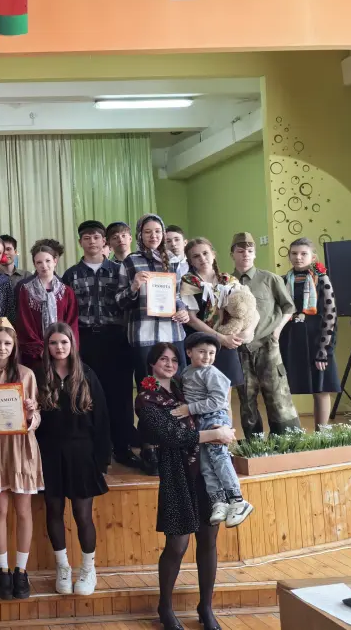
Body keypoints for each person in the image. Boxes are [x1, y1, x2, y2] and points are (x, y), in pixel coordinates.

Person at [136, 342, 236, 630]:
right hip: (176, 474)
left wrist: (222, 428)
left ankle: (206, 607)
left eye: (173, 359)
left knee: (208, 540)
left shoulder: (187, 387)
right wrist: (213, 434)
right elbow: (171, 435)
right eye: (163, 359)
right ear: (152, 363)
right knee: (177, 544)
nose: (169, 364)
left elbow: (217, 403)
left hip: (206, 472)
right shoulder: (146, 398)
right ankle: (165, 607)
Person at [35, 322, 110, 597]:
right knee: (53, 511)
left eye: (64, 342)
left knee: (82, 514)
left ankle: (88, 569)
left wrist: (102, 460)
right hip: (49, 454)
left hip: (82, 454)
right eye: (54, 343)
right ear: (47, 346)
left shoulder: (87, 374)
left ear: (72, 344)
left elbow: (101, 419)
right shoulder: (38, 376)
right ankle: (63, 567)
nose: (59, 347)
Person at [116, 214, 190, 475]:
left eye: (157, 231)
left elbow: (179, 297)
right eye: (148, 232)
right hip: (144, 336)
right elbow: (120, 302)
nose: (153, 236)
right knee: (148, 393)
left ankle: (177, 445)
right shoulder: (130, 261)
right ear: (140, 235)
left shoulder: (175, 261)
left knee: (176, 389)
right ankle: (150, 447)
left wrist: (183, 311)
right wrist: (134, 287)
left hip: (172, 334)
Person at [62, 221, 140, 469]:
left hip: (116, 338)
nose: (92, 241)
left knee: (120, 395)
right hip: (84, 339)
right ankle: (94, 451)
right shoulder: (71, 274)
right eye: (86, 238)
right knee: (86, 394)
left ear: (104, 241)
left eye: (96, 237)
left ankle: (122, 448)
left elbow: (129, 302)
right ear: (80, 243)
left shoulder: (119, 271)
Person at [0, 321, 42, 600]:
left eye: (7, 343)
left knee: (23, 510)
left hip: (21, 446)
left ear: (14, 347)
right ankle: (2, 570)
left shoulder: (26, 375)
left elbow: (36, 418)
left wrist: (31, 413)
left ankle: (21, 571)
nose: (1, 348)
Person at [172, 332, 253, 528]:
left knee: (219, 457)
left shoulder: (212, 373)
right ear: (189, 352)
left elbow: (218, 401)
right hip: (201, 421)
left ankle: (237, 500)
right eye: (202, 352)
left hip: (215, 419)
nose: (207, 357)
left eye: (211, 353)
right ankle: (219, 502)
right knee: (206, 463)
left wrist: (189, 409)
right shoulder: (187, 372)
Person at [230, 232, 301, 436]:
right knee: (246, 397)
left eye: (250, 251)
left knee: (278, 394)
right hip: (240, 349)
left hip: (268, 344)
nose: (245, 254)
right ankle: (254, 443)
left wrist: (277, 330)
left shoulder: (269, 279)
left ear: (255, 254)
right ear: (232, 254)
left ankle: (288, 440)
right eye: (240, 251)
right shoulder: (227, 282)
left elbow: (289, 307)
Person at [280, 237, 340, 430]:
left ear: (313, 257)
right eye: (294, 253)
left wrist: (323, 349)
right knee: (284, 389)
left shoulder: (322, 280)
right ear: (289, 256)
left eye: (303, 253)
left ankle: (322, 434)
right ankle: (290, 434)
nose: (298, 257)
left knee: (321, 388)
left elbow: (330, 314)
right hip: (290, 340)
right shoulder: (282, 281)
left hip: (317, 340)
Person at [179, 238, 245, 386]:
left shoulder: (229, 280)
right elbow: (191, 319)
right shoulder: (188, 282)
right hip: (200, 343)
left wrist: (245, 333)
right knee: (200, 389)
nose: (202, 258)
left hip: (227, 341)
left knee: (225, 389)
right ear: (190, 261)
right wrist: (220, 338)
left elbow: (246, 309)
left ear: (213, 254)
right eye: (196, 256)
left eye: (205, 253)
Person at [16, 244, 79, 368]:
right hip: (36, 355)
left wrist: (62, 345)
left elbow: (72, 322)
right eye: (39, 262)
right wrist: (41, 349)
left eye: (48, 261)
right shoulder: (26, 290)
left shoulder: (67, 291)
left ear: (55, 261)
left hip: (62, 351)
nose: (44, 266)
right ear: (34, 265)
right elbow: (25, 323)